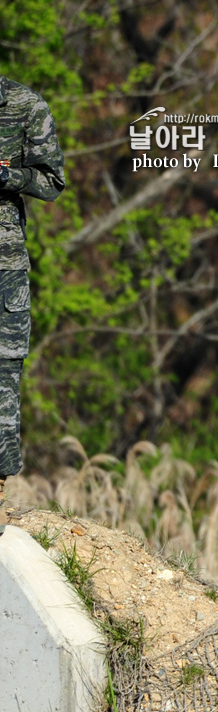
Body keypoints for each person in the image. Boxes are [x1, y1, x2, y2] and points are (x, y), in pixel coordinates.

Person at [0, 76, 66, 530]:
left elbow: (53, 180)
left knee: (2, 379)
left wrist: (8, 175)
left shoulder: (23, 105)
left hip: (2, 269)